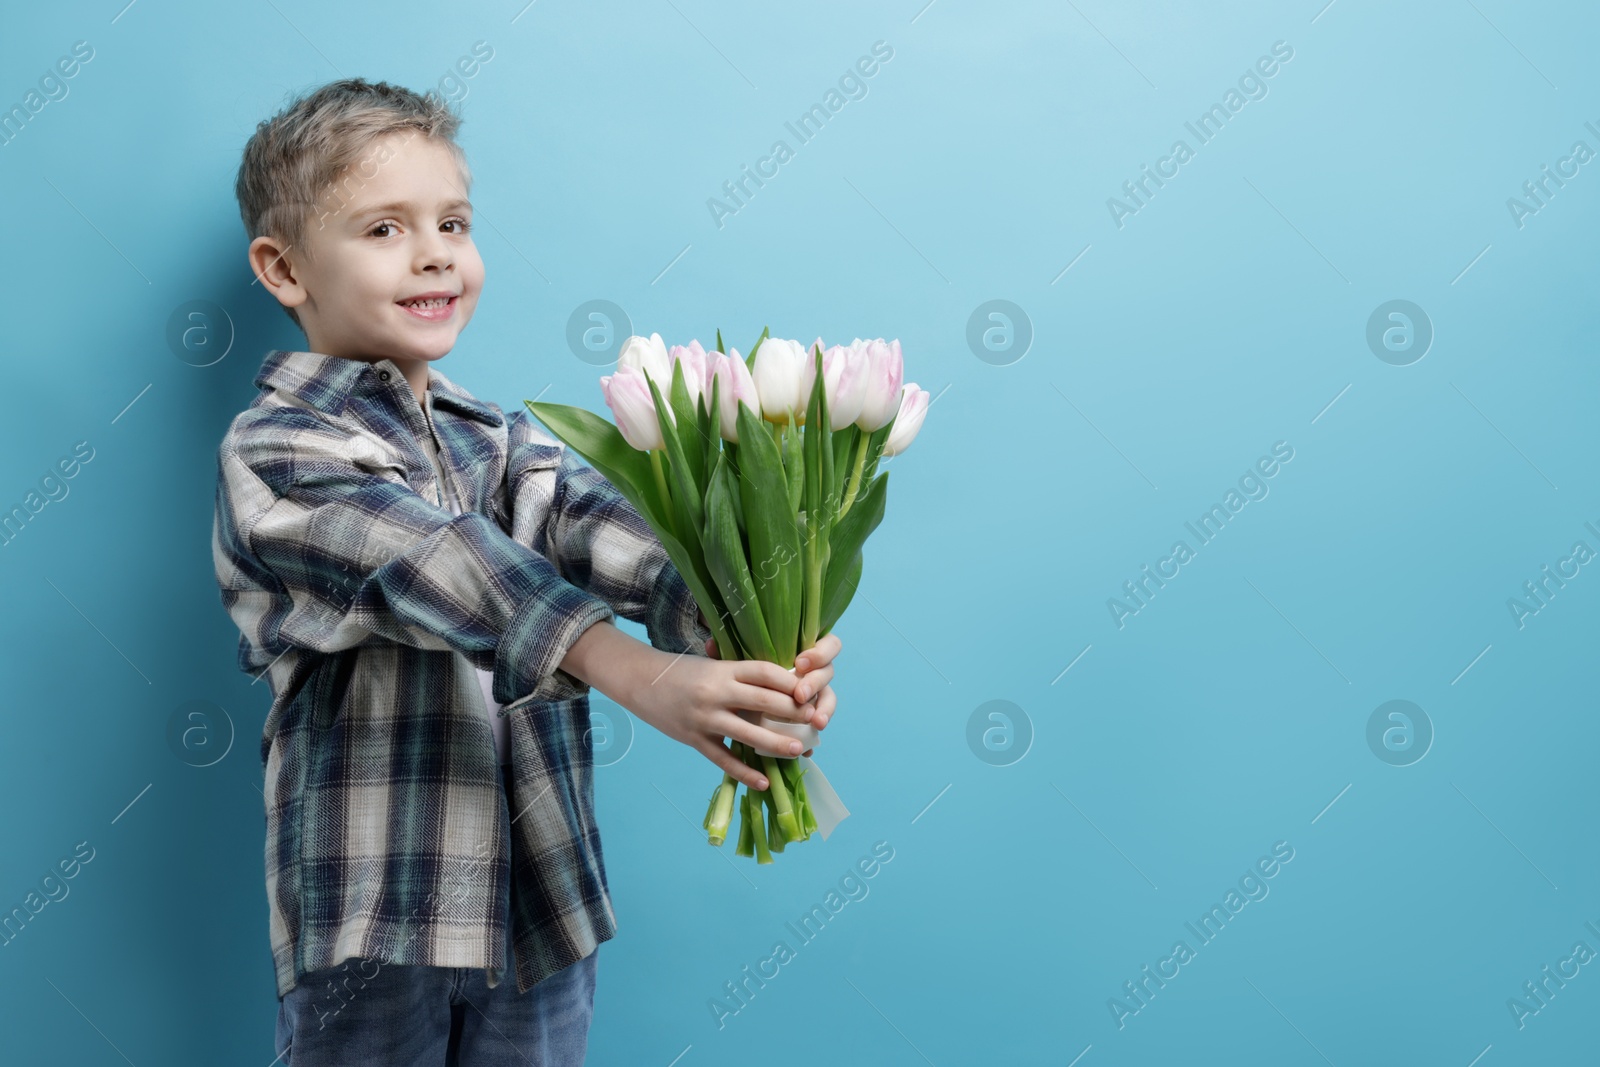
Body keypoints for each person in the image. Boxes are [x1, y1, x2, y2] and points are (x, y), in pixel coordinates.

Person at [213, 77, 841, 1066]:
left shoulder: (499, 442)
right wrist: (640, 674)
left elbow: (603, 529)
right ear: (284, 268)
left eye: (453, 222)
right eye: (383, 229)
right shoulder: (280, 449)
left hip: (542, 904)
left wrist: (738, 629)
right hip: (379, 913)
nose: (434, 253)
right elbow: (434, 559)